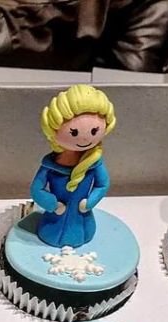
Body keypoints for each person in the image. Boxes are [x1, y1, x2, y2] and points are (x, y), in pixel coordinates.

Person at [30, 85, 116, 248]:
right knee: (52, 231)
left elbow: (102, 184)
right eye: (74, 133)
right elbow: (36, 189)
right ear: (53, 132)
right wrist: (53, 204)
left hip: (82, 217)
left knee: (82, 231)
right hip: (54, 218)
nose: (85, 139)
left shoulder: (94, 162)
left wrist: (89, 202)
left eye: (94, 131)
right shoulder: (50, 166)